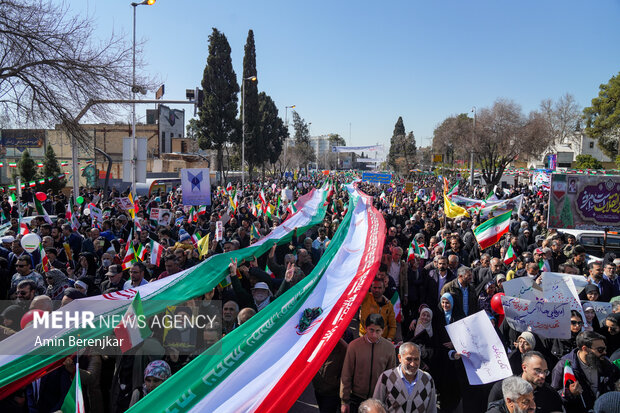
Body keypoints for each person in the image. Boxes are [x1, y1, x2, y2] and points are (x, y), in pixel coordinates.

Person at [551, 331, 620, 413]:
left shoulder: (606, 364)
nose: (604, 353)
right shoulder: (564, 366)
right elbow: (553, 396)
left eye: (605, 349)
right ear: (585, 349)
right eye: (600, 350)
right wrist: (570, 392)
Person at [340, 314, 397, 413]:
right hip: (356, 398)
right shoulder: (354, 346)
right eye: (371, 330)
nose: (374, 334)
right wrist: (344, 401)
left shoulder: (389, 348)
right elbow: (346, 374)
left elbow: (391, 376)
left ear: (383, 330)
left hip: (379, 398)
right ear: (365, 328)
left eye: (378, 331)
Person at [488, 351, 563, 413]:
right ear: (524, 367)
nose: (542, 376)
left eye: (545, 371)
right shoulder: (502, 388)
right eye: (538, 371)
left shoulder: (550, 394)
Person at [372, 342, 437, 412]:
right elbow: (376, 407)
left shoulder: (427, 379)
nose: (412, 364)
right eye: (409, 359)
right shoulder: (386, 377)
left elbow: (432, 408)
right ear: (400, 358)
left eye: (416, 359)